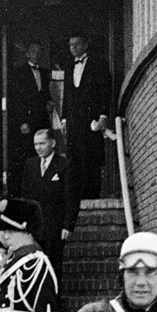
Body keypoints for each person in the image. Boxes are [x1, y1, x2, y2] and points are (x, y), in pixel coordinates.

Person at [16, 126, 79, 291]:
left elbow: (71, 198)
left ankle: (53, 303)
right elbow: (25, 196)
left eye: (42, 143)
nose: (38, 148)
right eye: (36, 144)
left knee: (53, 266)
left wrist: (68, 225)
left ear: (52, 143)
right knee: (33, 265)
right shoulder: (30, 165)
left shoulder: (64, 165)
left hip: (55, 227)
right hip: (34, 228)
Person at [59, 32, 113, 200]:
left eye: (76, 44)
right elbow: (67, 94)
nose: (73, 48)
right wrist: (64, 118)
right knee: (73, 157)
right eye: (70, 45)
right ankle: (76, 196)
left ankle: (92, 195)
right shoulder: (69, 66)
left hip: (91, 119)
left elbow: (105, 90)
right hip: (74, 120)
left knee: (91, 156)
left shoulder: (99, 64)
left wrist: (103, 115)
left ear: (85, 45)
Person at [6, 41, 52, 186]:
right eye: (33, 52)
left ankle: (39, 186)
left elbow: (45, 94)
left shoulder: (45, 73)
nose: (36, 55)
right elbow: (16, 99)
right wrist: (22, 121)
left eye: (39, 52)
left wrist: (49, 103)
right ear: (27, 54)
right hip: (26, 122)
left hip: (41, 120)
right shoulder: (19, 72)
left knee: (41, 152)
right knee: (25, 153)